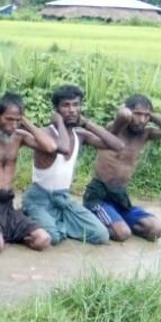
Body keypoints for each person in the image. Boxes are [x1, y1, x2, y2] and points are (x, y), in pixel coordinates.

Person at [21, 84, 123, 245]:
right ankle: (29, 218)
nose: (72, 110)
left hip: (63, 198)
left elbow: (117, 146)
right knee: (52, 238)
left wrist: (86, 123)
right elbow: (63, 147)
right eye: (66, 105)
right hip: (39, 198)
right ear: (56, 109)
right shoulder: (46, 134)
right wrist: (60, 123)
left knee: (101, 235)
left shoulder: (80, 135)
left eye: (76, 105)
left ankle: (54, 223)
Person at [83, 94, 161, 241]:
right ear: (129, 113)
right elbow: (123, 115)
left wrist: (151, 115)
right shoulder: (114, 129)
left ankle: (115, 220)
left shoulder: (146, 134)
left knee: (157, 229)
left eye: (145, 116)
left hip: (120, 195)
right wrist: (129, 112)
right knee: (122, 233)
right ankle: (90, 217)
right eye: (137, 114)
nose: (141, 120)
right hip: (99, 194)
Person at [0, 92, 58, 252]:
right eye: (9, 119)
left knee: (43, 239)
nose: (13, 124)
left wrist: (25, 121)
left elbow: (51, 147)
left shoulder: (20, 137)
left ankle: (4, 232)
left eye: (17, 120)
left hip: (8, 203)